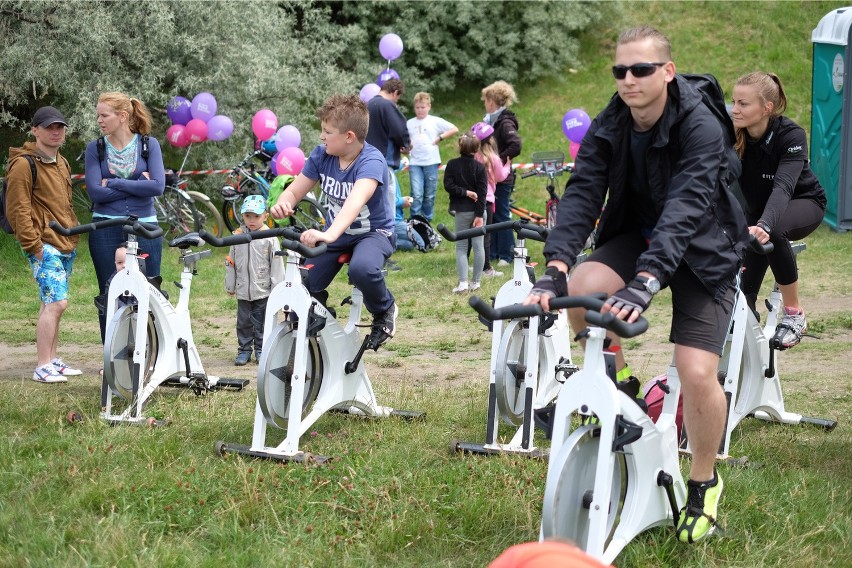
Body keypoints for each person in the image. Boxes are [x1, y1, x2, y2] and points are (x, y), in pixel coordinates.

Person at [525, 26, 748, 544]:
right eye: (620, 71)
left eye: (641, 69)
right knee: (584, 287)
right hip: (639, 234)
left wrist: (647, 280)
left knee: (695, 372)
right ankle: (623, 399)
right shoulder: (612, 120)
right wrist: (556, 263)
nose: (629, 80)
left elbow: (687, 208)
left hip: (703, 250)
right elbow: (584, 190)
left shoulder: (700, 125)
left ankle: (703, 482)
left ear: (667, 71)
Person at [270, 94, 398, 348]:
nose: (322, 136)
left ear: (349, 136)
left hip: (373, 233)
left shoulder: (371, 161)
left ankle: (385, 309)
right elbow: (295, 190)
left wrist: (328, 234)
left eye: (328, 131)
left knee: (361, 269)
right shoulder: (322, 155)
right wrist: (284, 202)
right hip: (336, 234)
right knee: (302, 282)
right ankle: (317, 325)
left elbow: (355, 201)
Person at [731, 71, 826, 348]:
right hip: (758, 213)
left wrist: (764, 225)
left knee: (773, 230)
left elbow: (783, 187)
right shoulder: (732, 130)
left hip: (804, 202)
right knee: (741, 299)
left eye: (743, 104)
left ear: (766, 108)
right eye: (734, 101)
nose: (735, 109)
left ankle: (794, 314)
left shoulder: (791, 134)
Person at [6, 106, 82, 383]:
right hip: (44, 245)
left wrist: (71, 236)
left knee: (50, 302)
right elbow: (18, 210)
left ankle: (52, 360)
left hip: (65, 242)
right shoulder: (24, 164)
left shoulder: (61, 161)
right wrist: (34, 246)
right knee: (57, 303)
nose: (55, 132)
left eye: (59, 127)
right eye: (49, 127)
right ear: (34, 130)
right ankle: (42, 366)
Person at [84, 92, 165, 342]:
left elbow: (158, 187)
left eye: (104, 115)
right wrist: (138, 182)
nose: (99, 119)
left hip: (144, 227)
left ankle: (147, 352)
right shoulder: (95, 148)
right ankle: (112, 356)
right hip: (105, 227)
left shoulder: (148, 145)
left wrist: (115, 182)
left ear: (122, 116)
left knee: (148, 289)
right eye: (98, 114)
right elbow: (96, 192)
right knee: (109, 291)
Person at [225, 195, 284, 365]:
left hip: (263, 290)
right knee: (243, 323)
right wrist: (230, 284)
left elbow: (277, 264)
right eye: (247, 216)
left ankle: (261, 349)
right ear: (242, 216)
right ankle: (244, 350)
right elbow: (231, 262)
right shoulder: (237, 237)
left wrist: (277, 289)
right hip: (243, 290)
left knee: (261, 322)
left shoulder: (270, 238)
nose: (251, 220)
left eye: (256, 216)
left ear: (265, 216)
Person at [481, 80, 522, 267]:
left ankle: (507, 254)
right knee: (493, 215)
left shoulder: (504, 123)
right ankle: (495, 252)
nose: (484, 103)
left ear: (492, 100)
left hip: (502, 178)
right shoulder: (489, 120)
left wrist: (497, 160)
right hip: (492, 178)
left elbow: (516, 145)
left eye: (485, 100)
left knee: (503, 215)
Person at [444, 132, 487, 293]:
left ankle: (463, 283)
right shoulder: (480, 167)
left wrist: (464, 192)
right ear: (477, 149)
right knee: (478, 247)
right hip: (478, 211)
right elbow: (483, 193)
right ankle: (476, 282)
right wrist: (479, 215)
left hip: (461, 211)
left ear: (459, 146)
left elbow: (448, 185)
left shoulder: (452, 164)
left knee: (461, 247)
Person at [406, 92, 458, 222]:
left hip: (431, 161)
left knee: (429, 194)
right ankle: (414, 219)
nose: (420, 110)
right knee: (416, 193)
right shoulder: (409, 123)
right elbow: (405, 139)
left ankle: (427, 219)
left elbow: (454, 128)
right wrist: (407, 146)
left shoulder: (434, 121)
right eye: (417, 107)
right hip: (415, 162)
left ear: (429, 106)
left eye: (423, 107)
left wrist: (440, 138)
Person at [471, 121, 511, 277]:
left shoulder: (474, 156)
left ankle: (474, 263)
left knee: (472, 234)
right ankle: (486, 268)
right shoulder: (493, 158)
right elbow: (500, 177)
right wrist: (507, 166)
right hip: (487, 199)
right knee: (485, 235)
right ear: (491, 140)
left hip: (472, 198)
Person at [366, 78, 411, 215]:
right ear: (395, 92)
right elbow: (399, 129)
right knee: (388, 207)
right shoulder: (387, 105)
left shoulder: (368, 105)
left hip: (367, 161)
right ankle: (387, 235)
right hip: (384, 162)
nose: (396, 102)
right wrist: (406, 145)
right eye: (397, 98)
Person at [393, 181, 424, 252]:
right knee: (420, 245)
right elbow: (383, 201)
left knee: (411, 245)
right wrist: (401, 201)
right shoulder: (383, 173)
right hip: (393, 222)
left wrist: (402, 203)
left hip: (398, 220)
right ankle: (383, 243)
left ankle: (386, 240)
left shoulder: (391, 172)